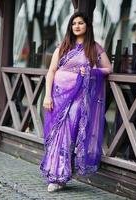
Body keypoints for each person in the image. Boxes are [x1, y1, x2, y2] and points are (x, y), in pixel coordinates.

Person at [40, 11, 112, 192]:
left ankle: (59, 177)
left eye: (80, 22)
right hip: (57, 95)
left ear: (87, 26)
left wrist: (90, 72)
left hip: (78, 97)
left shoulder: (94, 48)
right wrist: (47, 95)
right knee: (56, 134)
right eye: (74, 23)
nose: (77, 26)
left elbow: (108, 68)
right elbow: (51, 72)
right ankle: (54, 174)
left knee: (67, 133)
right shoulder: (63, 47)